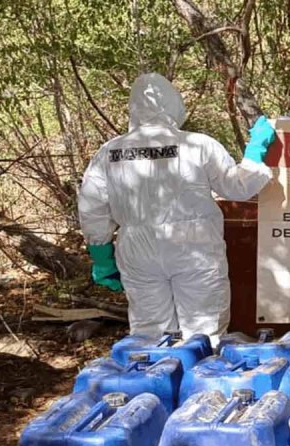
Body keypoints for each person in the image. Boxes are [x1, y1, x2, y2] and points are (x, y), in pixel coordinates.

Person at [78, 73, 276, 345]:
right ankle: (203, 371)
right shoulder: (197, 145)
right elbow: (238, 188)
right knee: (204, 331)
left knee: (150, 334)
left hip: (138, 251)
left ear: (133, 108)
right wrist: (256, 149)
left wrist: (102, 258)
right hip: (194, 249)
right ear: (174, 104)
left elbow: (92, 209)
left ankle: (153, 372)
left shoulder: (109, 152)